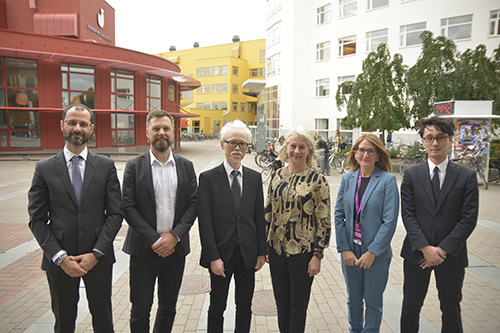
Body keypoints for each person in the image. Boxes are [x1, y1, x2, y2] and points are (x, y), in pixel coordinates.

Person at [28, 104, 122, 333]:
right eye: (72, 122)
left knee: (103, 319)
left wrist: (96, 253)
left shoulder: (106, 166)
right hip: (60, 261)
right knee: (64, 322)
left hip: (98, 259)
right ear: (62, 125)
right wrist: (60, 258)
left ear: (91, 128)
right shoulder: (44, 168)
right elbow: (37, 220)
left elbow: (115, 214)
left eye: (83, 124)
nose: (77, 128)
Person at [400, 116, 479, 333]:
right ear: (423, 141)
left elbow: (468, 218)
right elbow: (408, 214)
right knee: (410, 307)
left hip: (451, 256)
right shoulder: (411, 174)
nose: (435, 143)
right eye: (429, 138)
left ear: (450, 139)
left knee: (451, 309)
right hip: (417, 254)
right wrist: (425, 248)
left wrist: (441, 250)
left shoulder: (467, 176)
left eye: (440, 137)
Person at [122, 110, 197, 332]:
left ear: (174, 132)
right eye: (156, 128)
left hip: (176, 251)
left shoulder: (186, 166)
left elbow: (193, 204)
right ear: (147, 133)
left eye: (166, 128)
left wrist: (174, 236)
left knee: (168, 307)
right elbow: (128, 206)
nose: (161, 133)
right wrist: (155, 240)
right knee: (140, 310)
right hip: (143, 250)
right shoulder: (134, 166)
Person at [198, 119, 267, 332]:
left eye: (242, 144)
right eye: (232, 143)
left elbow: (258, 218)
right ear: (222, 144)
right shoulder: (208, 178)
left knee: (245, 306)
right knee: (217, 306)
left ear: (247, 147)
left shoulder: (255, 178)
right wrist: (213, 257)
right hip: (221, 255)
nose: (237, 148)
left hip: (247, 255)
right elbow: (205, 221)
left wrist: (261, 253)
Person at [265, 127, 331, 333]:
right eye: (293, 146)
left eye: (302, 147)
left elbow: (324, 220)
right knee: (281, 302)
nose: (296, 151)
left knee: (298, 305)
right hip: (276, 251)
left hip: (302, 253)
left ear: (309, 151)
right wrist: (264, 245)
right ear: (286, 149)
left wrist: (317, 255)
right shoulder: (276, 176)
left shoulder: (318, 180)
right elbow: (268, 212)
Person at [334, 133, 399, 332]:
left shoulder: (387, 180)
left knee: (373, 302)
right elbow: (338, 215)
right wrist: (344, 248)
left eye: (371, 151)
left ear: (378, 155)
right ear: (354, 153)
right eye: (361, 150)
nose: (365, 155)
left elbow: (390, 221)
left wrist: (372, 252)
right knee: (353, 300)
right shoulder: (347, 179)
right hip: (351, 251)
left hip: (375, 254)